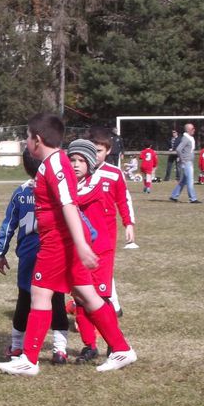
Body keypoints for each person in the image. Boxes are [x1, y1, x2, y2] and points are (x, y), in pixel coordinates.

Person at [0, 113, 135, 376]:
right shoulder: (54, 163)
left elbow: (68, 204)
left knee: (40, 293)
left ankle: (29, 358)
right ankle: (121, 348)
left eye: (27, 137)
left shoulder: (55, 165)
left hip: (59, 243)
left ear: (37, 140)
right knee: (86, 294)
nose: (26, 142)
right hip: (61, 241)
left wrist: (81, 244)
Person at [0, 149, 71, 363]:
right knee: (57, 299)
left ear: (26, 166)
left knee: (25, 299)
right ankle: (60, 350)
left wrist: (1, 252)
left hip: (29, 253)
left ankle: (18, 347)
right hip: (54, 250)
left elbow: (9, 224)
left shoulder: (21, 192)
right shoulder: (57, 190)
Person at [73, 129, 136, 357]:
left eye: (98, 151)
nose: (94, 155)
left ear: (108, 151)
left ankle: (113, 342)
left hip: (103, 245)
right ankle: (89, 345)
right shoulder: (77, 175)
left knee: (102, 296)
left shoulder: (112, 174)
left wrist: (129, 223)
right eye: (91, 150)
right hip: (80, 246)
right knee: (80, 296)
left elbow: (123, 199)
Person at [168, 123, 200, 203]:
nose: (194, 130)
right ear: (188, 130)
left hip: (188, 162)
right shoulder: (186, 139)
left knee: (183, 181)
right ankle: (193, 198)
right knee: (190, 181)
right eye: (193, 129)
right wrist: (183, 159)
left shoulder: (189, 138)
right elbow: (178, 149)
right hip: (187, 162)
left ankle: (173, 196)